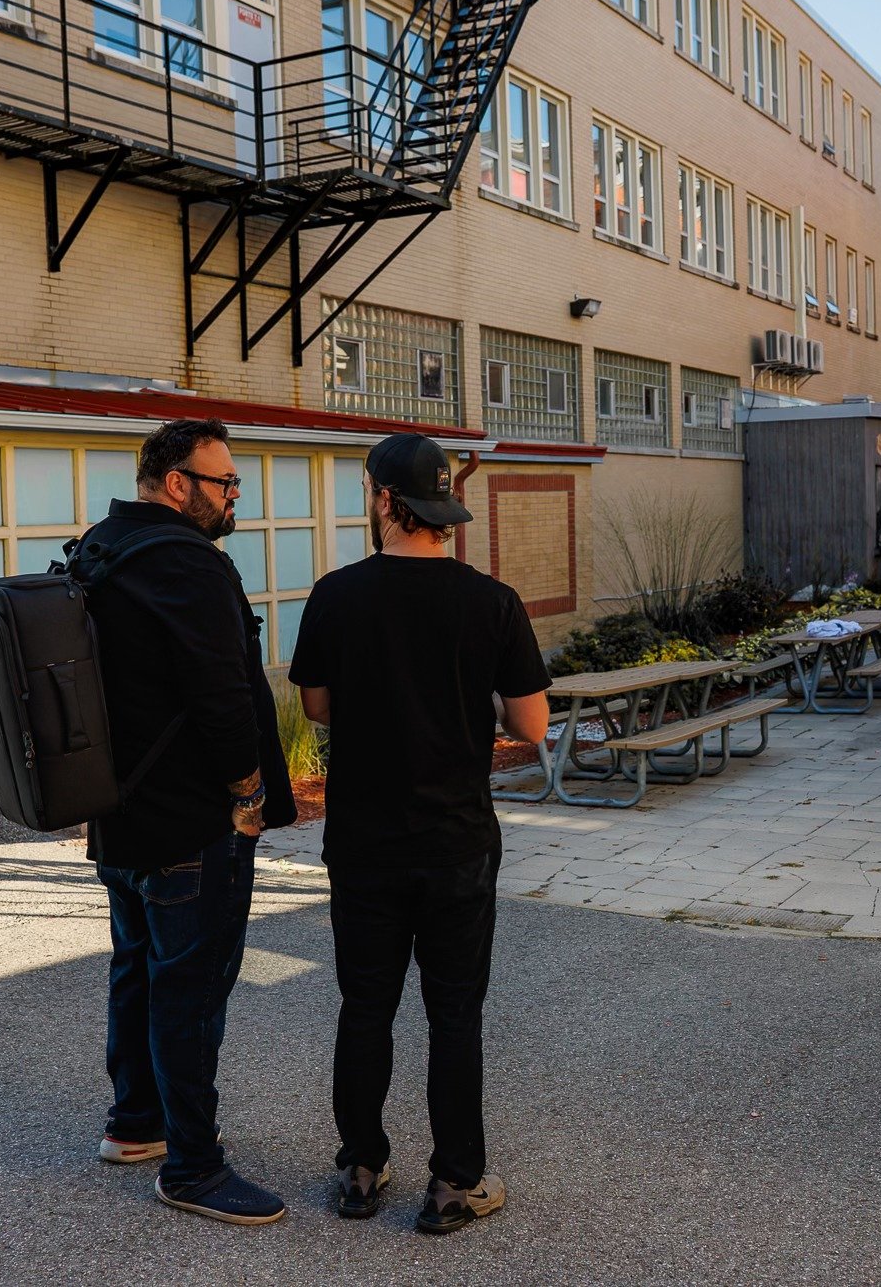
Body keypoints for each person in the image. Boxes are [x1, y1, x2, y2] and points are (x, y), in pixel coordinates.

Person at [289, 433, 551, 1235]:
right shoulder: (492, 601)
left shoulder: (335, 595)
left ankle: (361, 1169)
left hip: (363, 841)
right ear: (441, 506)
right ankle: (453, 1185)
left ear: (384, 499)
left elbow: (317, 707)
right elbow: (532, 724)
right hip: (456, 842)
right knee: (454, 1014)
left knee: (365, 1006)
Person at [85, 417, 298, 1226]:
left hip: (121, 815)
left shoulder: (104, 546)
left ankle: (135, 1123)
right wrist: (248, 792)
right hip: (188, 820)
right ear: (178, 484)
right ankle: (194, 1167)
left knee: (138, 967)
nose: (235, 494)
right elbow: (221, 694)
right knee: (191, 988)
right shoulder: (187, 562)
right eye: (224, 481)